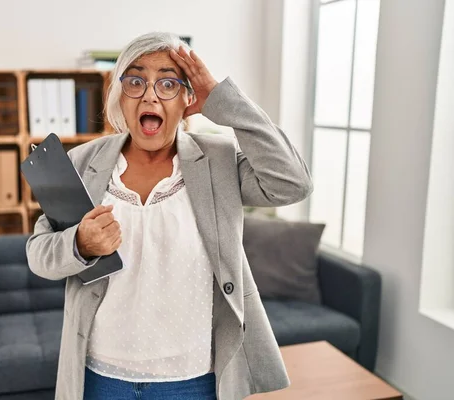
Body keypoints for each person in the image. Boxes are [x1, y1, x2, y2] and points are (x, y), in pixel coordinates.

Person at [26, 31, 313, 400]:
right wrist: (79, 243)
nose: (149, 94)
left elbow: (293, 182)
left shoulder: (218, 162)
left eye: (167, 83)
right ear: (119, 94)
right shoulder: (83, 162)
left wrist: (226, 104)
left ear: (188, 99)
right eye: (135, 81)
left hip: (193, 379)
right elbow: (39, 254)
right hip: (101, 377)